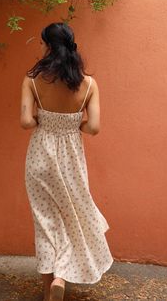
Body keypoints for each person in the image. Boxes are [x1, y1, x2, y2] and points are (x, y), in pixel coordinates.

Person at [20, 22, 114, 301]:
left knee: (46, 222)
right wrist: (73, 126)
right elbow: (94, 127)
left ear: (48, 46)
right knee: (72, 218)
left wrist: (45, 120)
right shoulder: (88, 84)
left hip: (40, 157)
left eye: (40, 42)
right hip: (71, 159)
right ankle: (62, 276)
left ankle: (48, 287)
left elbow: (25, 121)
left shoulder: (31, 80)